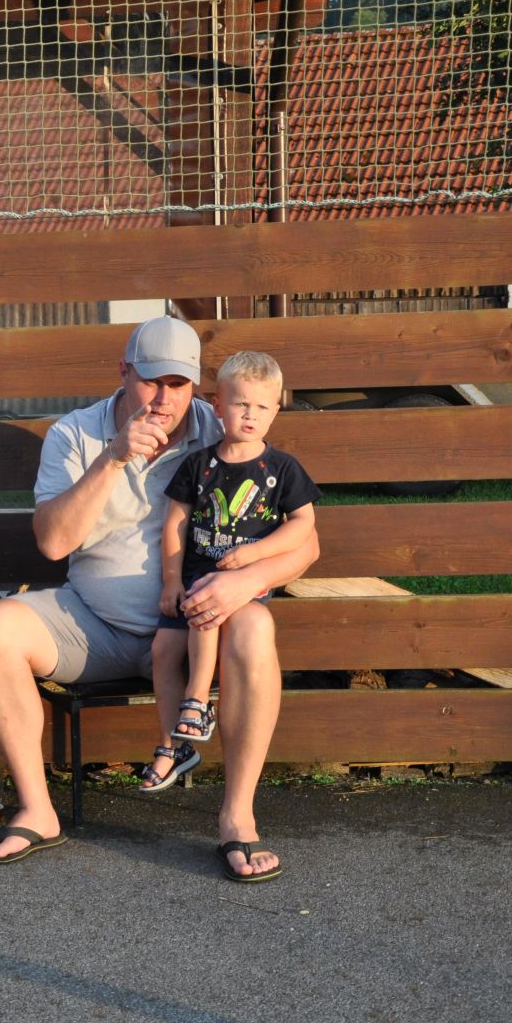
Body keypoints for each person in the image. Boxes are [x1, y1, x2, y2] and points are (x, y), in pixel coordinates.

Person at [0, 318, 319, 881]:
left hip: (200, 628)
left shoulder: (224, 424)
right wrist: (112, 457)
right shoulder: (75, 434)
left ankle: (237, 817)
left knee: (256, 625)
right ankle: (37, 811)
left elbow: (307, 543)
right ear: (124, 373)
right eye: (152, 381)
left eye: (178, 384)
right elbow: (54, 542)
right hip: (95, 624)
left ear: (198, 386)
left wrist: (245, 581)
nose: (164, 399)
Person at [145, 352, 319, 828]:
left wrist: (256, 554)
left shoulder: (281, 468)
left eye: (262, 407)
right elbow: (175, 524)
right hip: (192, 579)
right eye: (241, 404)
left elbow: (303, 524)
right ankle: (174, 745)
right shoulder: (198, 465)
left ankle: (197, 703)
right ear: (217, 406)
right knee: (163, 649)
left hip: (240, 586)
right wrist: (170, 581)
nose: (250, 415)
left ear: (276, 411)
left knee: (207, 610)